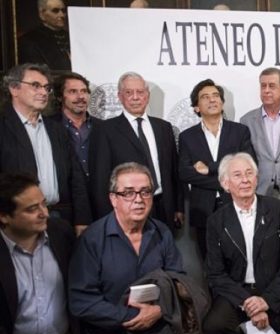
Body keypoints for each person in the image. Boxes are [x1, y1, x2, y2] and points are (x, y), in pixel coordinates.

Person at [69, 162, 184, 334]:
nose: (139, 200)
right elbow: (82, 301)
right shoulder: (92, 239)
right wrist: (133, 316)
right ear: (113, 198)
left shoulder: (162, 232)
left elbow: (179, 280)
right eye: (129, 193)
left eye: (145, 192)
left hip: (157, 329)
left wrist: (159, 310)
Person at [203, 153, 280, 334]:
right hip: (237, 292)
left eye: (250, 173)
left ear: (257, 179)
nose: (246, 180)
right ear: (225, 183)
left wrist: (267, 301)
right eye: (238, 175)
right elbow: (215, 273)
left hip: (273, 290)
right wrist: (249, 303)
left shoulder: (278, 210)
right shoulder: (216, 221)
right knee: (214, 326)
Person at [0, 63, 91, 234]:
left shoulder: (56, 129)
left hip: (61, 219)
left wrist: (82, 220)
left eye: (46, 87)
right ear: (14, 89)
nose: (43, 92)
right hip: (18, 224)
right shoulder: (3, 129)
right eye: (35, 86)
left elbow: (75, 178)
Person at [89, 72, 183, 231]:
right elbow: (100, 179)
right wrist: (106, 217)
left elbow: (174, 170)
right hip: (127, 209)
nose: (135, 97)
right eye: (128, 92)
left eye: (140, 92)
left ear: (147, 95)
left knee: (163, 253)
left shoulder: (164, 128)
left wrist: (178, 207)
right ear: (119, 96)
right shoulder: (105, 130)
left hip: (163, 207)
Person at [0, 173, 79, 334]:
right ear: (4, 216)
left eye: (44, 204)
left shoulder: (62, 233)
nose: (45, 213)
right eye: (32, 209)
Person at [179, 79, 255, 259]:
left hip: (237, 205)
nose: (212, 100)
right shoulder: (187, 136)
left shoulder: (239, 131)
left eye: (215, 96)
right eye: (205, 97)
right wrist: (225, 181)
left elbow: (249, 163)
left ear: (222, 102)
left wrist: (210, 168)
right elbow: (185, 172)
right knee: (210, 263)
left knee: (240, 260)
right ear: (196, 107)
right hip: (202, 210)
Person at [240, 67, 280, 217]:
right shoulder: (247, 121)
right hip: (260, 192)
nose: (266, 90)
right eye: (263, 86)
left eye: (272, 86)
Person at [49, 72, 102, 178]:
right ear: (60, 97)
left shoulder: (102, 127)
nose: (80, 97)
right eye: (73, 91)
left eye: (84, 91)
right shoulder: (49, 127)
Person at [18, 0, 71, 70]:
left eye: (63, 10)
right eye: (55, 11)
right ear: (42, 14)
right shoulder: (30, 40)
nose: (61, 15)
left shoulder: (71, 36)